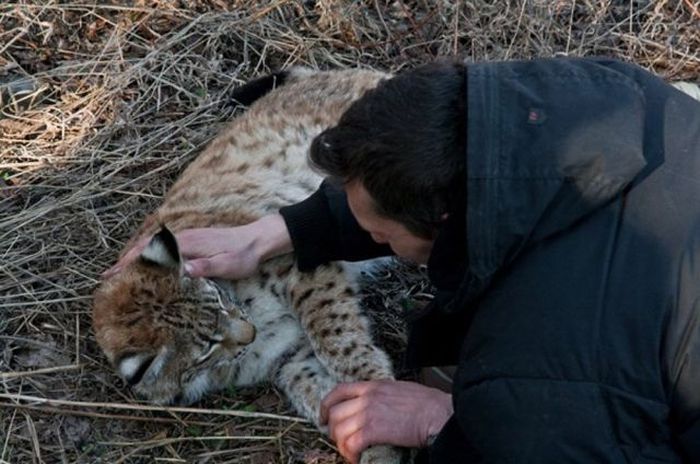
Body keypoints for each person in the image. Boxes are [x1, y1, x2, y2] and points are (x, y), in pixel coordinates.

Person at [107, 57, 700, 463]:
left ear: (438, 225)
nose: (372, 239)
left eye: (381, 235)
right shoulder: (605, 95)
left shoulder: (529, 375)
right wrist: (276, 230)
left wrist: (445, 423)